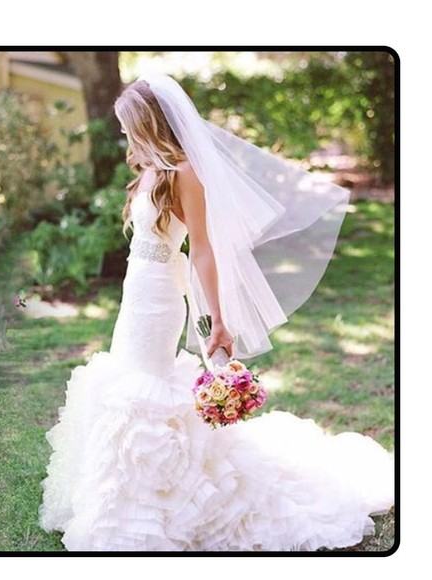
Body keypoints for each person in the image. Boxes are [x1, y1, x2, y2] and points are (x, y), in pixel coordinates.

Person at [38, 75, 394, 552]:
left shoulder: (185, 172)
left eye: (128, 125)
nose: (123, 134)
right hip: (135, 293)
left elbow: (203, 249)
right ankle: (126, 495)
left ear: (148, 122)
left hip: (160, 298)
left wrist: (218, 320)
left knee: (143, 389)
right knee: (125, 381)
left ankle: (157, 500)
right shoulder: (149, 168)